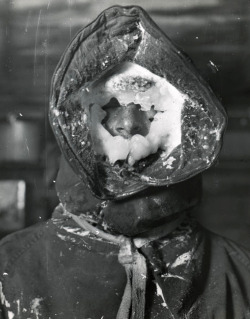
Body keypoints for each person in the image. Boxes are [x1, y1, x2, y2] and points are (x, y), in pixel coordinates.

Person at [1, 5, 250, 319]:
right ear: (72, 127)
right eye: (111, 103)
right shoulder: (9, 273)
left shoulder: (239, 280)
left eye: (148, 106)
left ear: (189, 121)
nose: (128, 124)